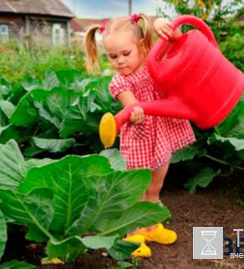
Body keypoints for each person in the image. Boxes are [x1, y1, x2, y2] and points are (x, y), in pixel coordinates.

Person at [84, 13, 196, 258]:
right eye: (113, 57)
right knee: (138, 189)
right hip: (140, 139)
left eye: (126, 54)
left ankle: (151, 226)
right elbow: (132, 104)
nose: (120, 61)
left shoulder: (151, 61)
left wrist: (159, 26)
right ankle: (132, 233)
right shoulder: (118, 82)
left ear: (142, 46)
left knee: (155, 187)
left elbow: (173, 44)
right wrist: (135, 110)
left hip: (162, 133)